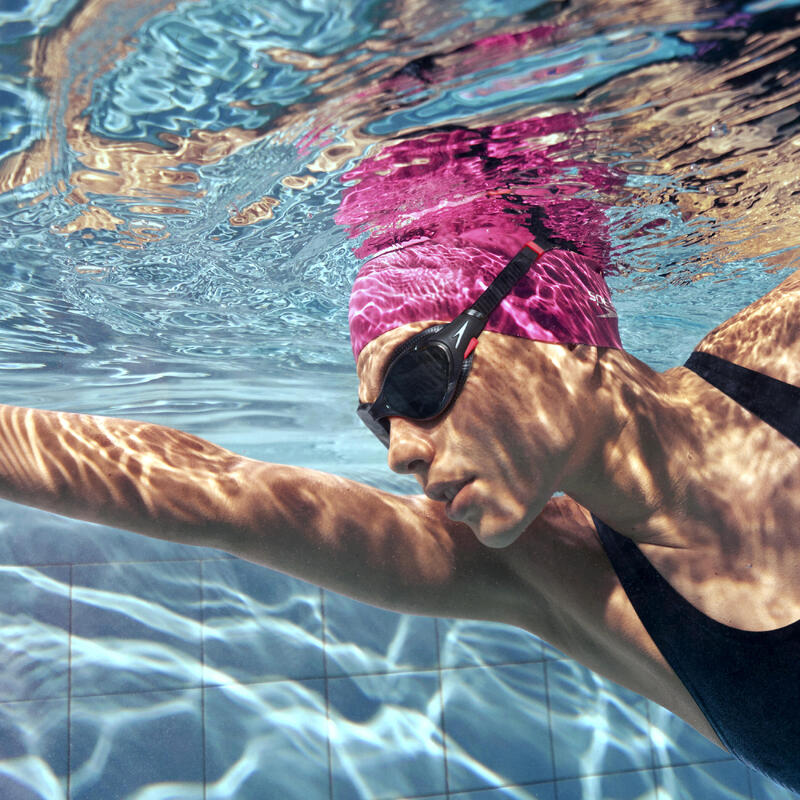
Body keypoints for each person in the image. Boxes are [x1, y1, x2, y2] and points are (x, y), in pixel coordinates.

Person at [0, 217, 799, 791]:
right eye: (377, 419)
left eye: (417, 384)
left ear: (552, 328)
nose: (401, 449)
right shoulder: (560, 585)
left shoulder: (781, 347)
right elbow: (222, 495)